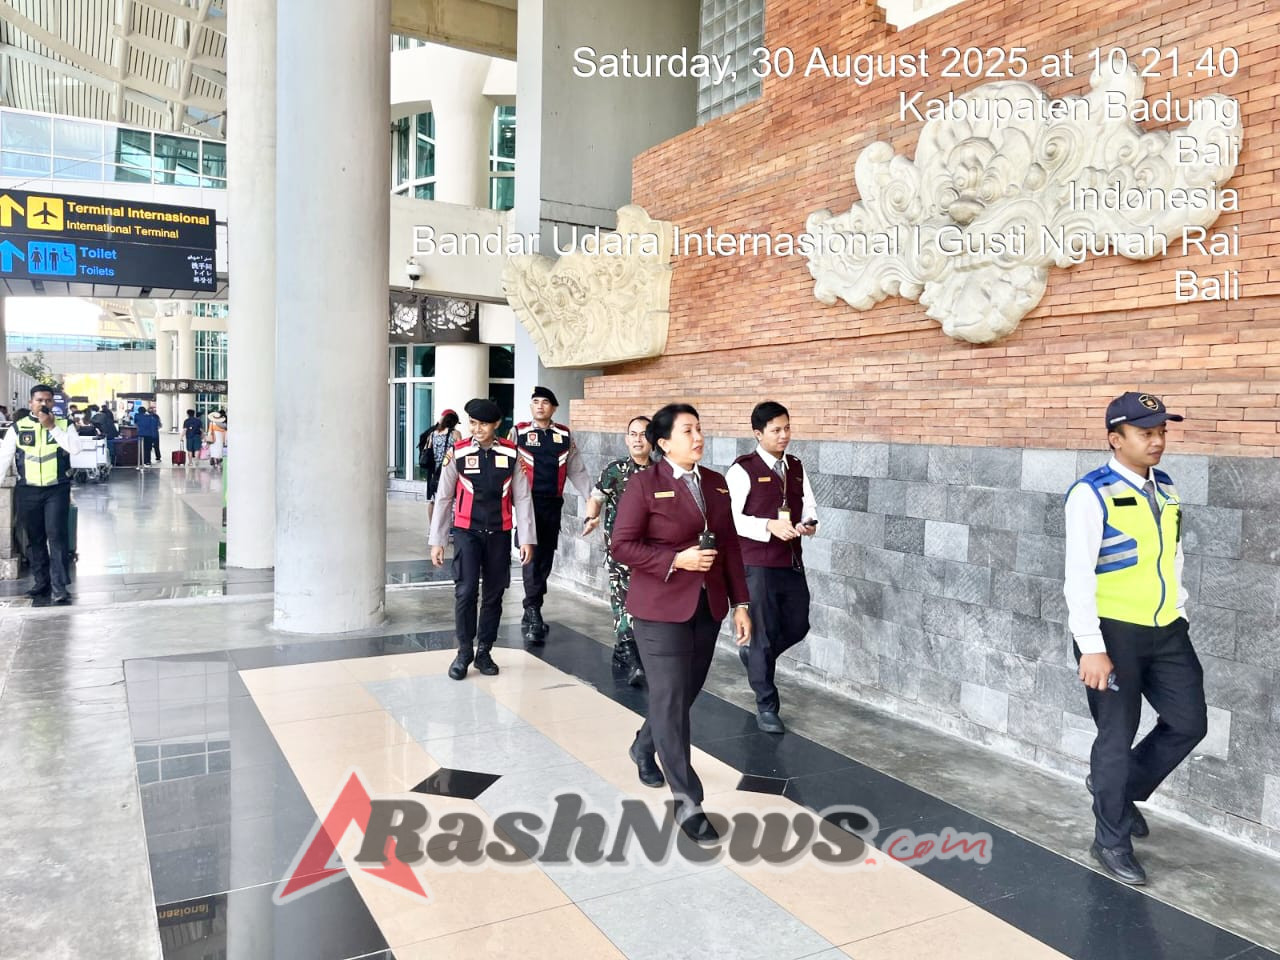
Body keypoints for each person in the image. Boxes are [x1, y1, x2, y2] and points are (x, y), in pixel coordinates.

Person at [1063, 391, 1207, 886]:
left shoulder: (1164, 487)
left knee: (1189, 723)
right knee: (1116, 739)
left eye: (1162, 431)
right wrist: (1091, 645)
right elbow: (1077, 575)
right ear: (1115, 438)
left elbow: (1174, 557)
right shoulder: (1091, 492)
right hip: (1113, 635)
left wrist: (1180, 609)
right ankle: (1111, 839)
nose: (1158, 441)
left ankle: (1117, 792)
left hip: (1167, 630)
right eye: (1146, 432)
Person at [611, 403, 751, 844]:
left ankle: (643, 744)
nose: (698, 437)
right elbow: (622, 546)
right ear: (664, 441)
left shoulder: (715, 482)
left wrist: (741, 603)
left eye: (700, 429)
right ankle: (689, 802)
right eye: (688, 430)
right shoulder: (644, 484)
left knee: (682, 696)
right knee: (670, 698)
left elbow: (729, 545)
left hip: (707, 607)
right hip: (659, 610)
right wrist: (676, 559)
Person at [726, 400, 818, 734]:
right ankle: (767, 706)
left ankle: (755, 661)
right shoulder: (742, 469)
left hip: (791, 560)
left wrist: (809, 523)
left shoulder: (795, 465)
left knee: (798, 624)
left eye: (787, 428)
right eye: (776, 430)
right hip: (756, 564)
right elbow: (730, 518)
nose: (784, 436)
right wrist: (768, 526)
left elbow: (809, 505)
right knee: (762, 634)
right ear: (758, 433)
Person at [430, 398, 536, 681]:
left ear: (497, 424)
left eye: (483, 424)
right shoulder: (458, 452)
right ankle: (464, 651)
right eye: (473, 423)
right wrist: (438, 539)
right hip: (466, 532)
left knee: (494, 594)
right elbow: (444, 497)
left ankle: (484, 651)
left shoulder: (513, 453)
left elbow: (523, 498)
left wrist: (526, 538)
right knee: (465, 593)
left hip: (499, 534)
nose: (477, 429)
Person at [510, 386, 592, 644]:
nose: (540, 406)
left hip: (552, 505)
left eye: (545, 402)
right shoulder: (519, 432)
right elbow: (505, 466)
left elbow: (577, 471)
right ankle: (533, 610)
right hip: (527, 504)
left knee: (544, 559)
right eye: (535, 402)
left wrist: (592, 499)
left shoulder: (564, 436)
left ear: (554, 408)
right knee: (530, 556)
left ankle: (532, 606)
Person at [582, 415, 654, 686]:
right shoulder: (615, 470)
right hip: (621, 551)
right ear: (626, 439)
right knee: (623, 601)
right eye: (633, 434)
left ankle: (627, 649)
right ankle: (632, 656)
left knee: (644, 604)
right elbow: (596, 497)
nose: (638, 439)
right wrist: (592, 517)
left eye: (643, 434)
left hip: (652, 553)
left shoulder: (661, 473)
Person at [0, 384, 82, 605]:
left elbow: (75, 449)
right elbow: (4, 457)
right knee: (34, 539)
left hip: (56, 489)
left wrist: (52, 428)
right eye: (39, 400)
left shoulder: (65, 425)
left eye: (47, 400)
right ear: (31, 403)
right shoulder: (18, 428)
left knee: (56, 536)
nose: (43, 404)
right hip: (28, 490)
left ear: (53, 403)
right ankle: (41, 583)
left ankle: (59, 587)